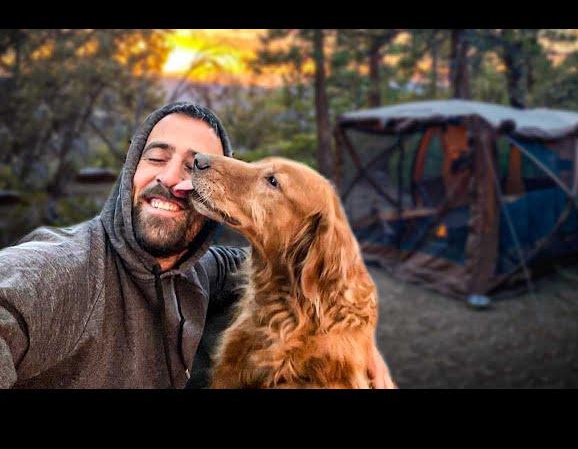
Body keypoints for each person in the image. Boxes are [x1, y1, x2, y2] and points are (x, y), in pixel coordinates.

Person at [0, 102, 394, 389]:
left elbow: (292, 256)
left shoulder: (198, 270)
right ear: (130, 169)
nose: (172, 177)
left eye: (194, 164)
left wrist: (356, 339)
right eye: (156, 158)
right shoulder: (62, 270)